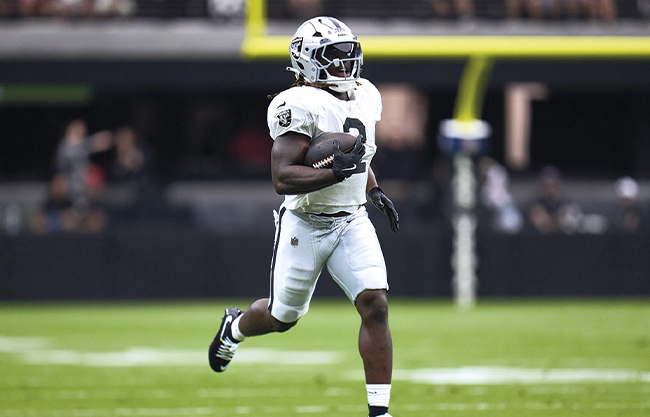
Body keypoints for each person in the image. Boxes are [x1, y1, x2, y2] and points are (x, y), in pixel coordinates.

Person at [208, 16, 399, 417]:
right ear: (308, 60)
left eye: (348, 54)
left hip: (351, 219)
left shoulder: (366, 94)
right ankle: (235, 328)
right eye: (334, 56)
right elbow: (283, 177)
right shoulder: (297, 103)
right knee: (282, 316)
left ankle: (380, 412)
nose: (345, 64)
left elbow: (358, 156)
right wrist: (336, 174)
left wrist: (373, 189)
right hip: (306, 222)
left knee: (375, 305)